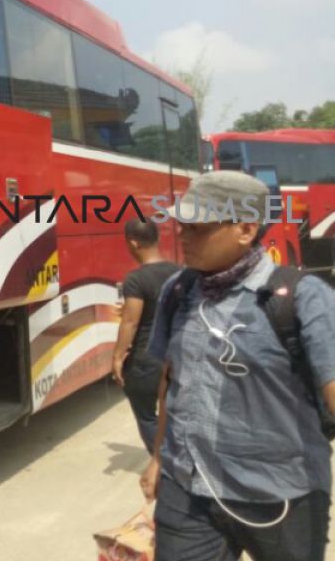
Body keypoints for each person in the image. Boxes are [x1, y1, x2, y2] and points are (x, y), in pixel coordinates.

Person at [140, 171, 335, 561]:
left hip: (282, 495)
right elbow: (171, 381)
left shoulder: (302, 297)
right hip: (188, 489)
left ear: (245, 229)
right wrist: (160, 457)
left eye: (197, 227)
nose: (182, 236)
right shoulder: (177, 291)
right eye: (182, 225)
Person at [111, 218, 177, 454]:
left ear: (133, 243)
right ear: (157, 239)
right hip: (177, 356)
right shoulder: (178, 273)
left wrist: (118, 357)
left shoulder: (136, 279)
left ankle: (164, 462)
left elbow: (131, 321)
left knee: (146, 414)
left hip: (147, 360)